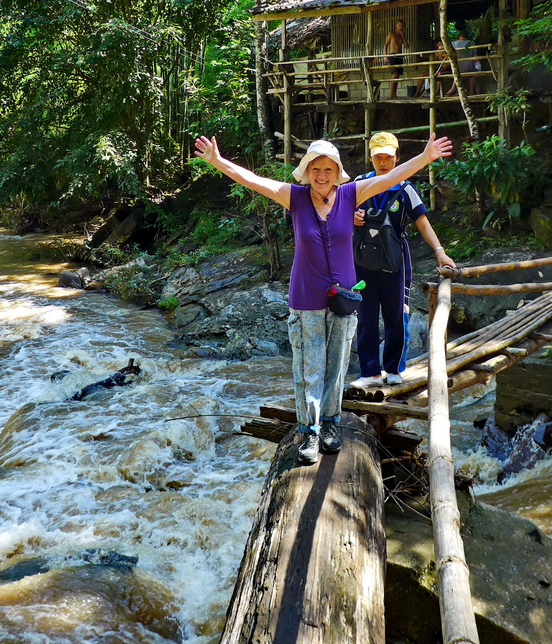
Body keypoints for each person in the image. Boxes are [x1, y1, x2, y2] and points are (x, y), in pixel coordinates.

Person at [193, 133, 453, 465]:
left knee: (336, 367)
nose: (321, 175)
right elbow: (253, 180)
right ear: (306, 171)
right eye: (315, 168)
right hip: (306, 299)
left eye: (328, 169)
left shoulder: (350, 194)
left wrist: (426, 156)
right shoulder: (295, 197)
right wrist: (217, 161)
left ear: (337, 172)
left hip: (345, 297)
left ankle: (330, 424)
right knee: (309, 369)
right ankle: (310, 430)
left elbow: (392, 177)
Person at [351, 132, 457, 389]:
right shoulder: (358, 184)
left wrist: (440, 251)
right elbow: (339, 212)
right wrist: (351, 217)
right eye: (378, 157)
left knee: (397, 315)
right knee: (365, 316)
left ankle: (395, 369)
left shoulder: (406, 188)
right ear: (371, 158)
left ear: (397, 158)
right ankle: (370, 373)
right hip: (362, 261)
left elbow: (422, 220)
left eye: (388, 157)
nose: (383, 162)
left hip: (395, 262)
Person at [384, 19, 408, 99]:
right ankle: (391, 94)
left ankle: (394, 94)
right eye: (399, 25)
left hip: (399, 56)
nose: (400, 27)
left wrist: (403, 36)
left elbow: (406, 46)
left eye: (402, 26)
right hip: (392, 55)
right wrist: (385, 55)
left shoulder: (402, 34)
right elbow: (385, 45)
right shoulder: (391, 34)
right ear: (396, 26)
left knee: (397, 76)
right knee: (395, 74)